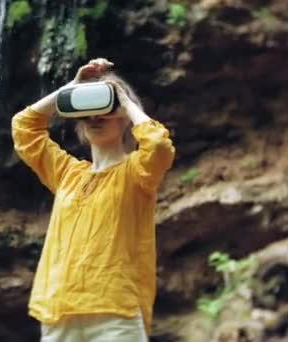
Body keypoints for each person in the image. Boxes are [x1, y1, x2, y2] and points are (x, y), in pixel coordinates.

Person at [11, 58, 175, 341]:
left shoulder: (136, 172)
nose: (95, 118)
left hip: (115, 314)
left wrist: (124, 101)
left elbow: (158, 145)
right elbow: (24, 127)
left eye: (105, 111)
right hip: (58, 312)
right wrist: (71, 90)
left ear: (124, 118)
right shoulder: (67, 173)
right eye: (88, 113)